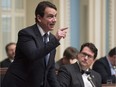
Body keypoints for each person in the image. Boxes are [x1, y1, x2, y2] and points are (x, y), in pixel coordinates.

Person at [2, 1, 67, 87]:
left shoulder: (51, 38)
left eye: (55, 16)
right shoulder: (26, 34)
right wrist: (56, 40)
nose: (54, 20)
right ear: (39, 18)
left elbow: (50, 69)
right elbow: (34, 55)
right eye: (50, 16)